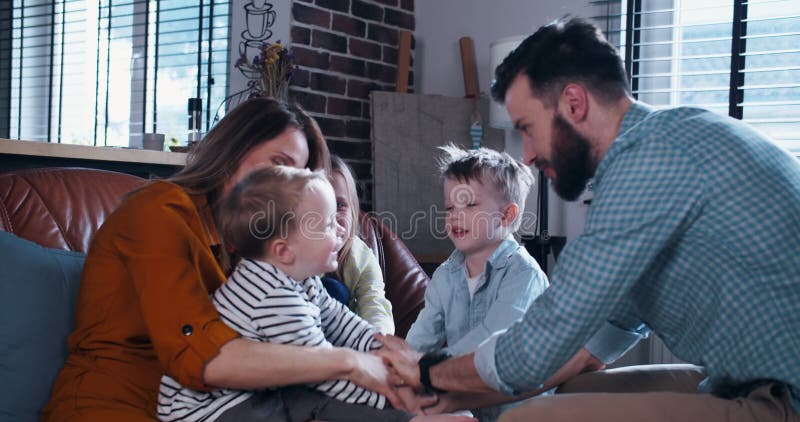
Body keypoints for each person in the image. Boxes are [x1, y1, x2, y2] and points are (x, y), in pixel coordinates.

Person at [378, 17, 800, 422]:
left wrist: (429, 372)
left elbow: (544, 339)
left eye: (527, 128)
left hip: (787, 398)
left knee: (530, 420)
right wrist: (448, 396)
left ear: (574, 104)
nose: (524, 154)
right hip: (740, 384)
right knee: (571, 390)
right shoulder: (657, 151)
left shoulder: (650, 161)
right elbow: (584, 354)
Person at [41, 98, 406, 421]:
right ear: (234, 151)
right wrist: (348, 364)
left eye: (297, 174)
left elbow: (325, 313)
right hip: (113, 402)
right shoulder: (158, 212)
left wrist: (395, 357)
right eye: (278, 164)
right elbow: (205, 359)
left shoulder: (259, 244)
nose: (286, 184)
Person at [158, 166, 471, 422]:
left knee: (309, 398)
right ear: (284, 250)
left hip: (251, 393)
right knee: (315, 399)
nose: (339, 230)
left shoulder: (303, 280)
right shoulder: (274, 297)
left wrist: (388, 350)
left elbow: (343, 324)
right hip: (206, 411)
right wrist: (396, 398)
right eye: (325, 225)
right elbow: (326, 375)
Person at [404, 145, 544, 421]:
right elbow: (421, 337)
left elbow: (491, 341)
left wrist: (426, 368)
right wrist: (400, 365)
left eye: (469, 205)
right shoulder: (445, 276)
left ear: (507, 215)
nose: (455, 215)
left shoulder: (523, 275)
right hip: (466, 405)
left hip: (518, 407)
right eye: (450, 207)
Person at [321, 155, 395, 334]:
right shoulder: (295, 255)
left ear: (354, 212)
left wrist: (379, 340)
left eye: (340, 205)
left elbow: (374, 303)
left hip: (351, 344)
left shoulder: (360, 256)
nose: (332, 215)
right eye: (323, 205)